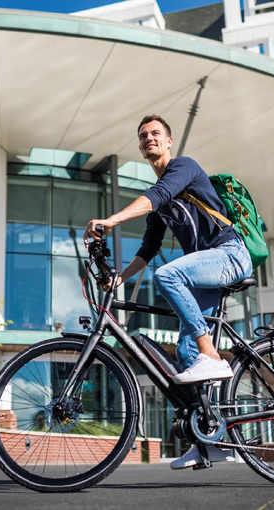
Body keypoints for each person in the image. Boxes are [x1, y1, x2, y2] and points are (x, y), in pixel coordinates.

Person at [83, 114, 253, 469]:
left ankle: (213, 355)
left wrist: (111, 220)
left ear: (169, 141)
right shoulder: (160, 205)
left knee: (168, 275)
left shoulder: (184, 168)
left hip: (230, 254)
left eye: (156, 134)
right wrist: (120, 279)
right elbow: (148, 247)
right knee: (185, 349)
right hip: (207, 270)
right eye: (143, 135)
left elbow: (157, 194)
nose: (149, 139)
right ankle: (210, 442)